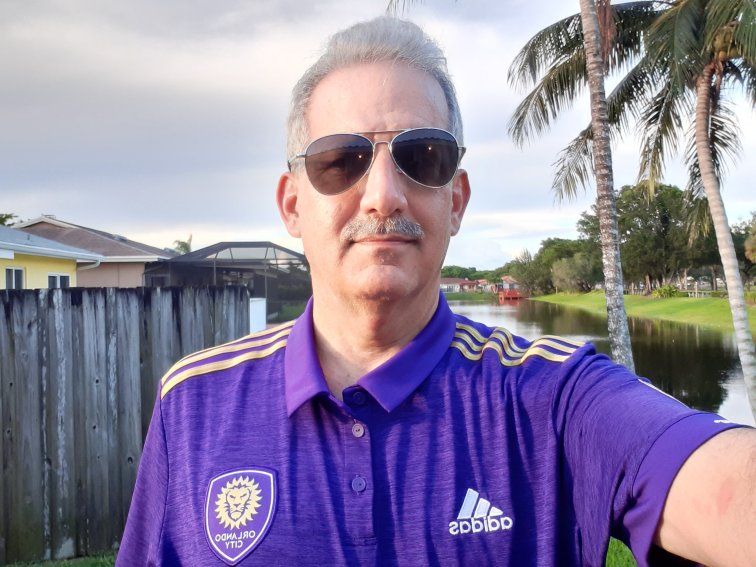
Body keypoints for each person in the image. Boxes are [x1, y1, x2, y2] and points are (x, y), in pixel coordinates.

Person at [118, 16, 756, 567]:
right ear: (292, 205)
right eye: (340, 161)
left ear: (456, 201)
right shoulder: (194, 403)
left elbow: (721, 487)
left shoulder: (552, 397)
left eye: (422, 157)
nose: (383, 196)